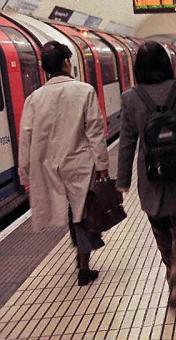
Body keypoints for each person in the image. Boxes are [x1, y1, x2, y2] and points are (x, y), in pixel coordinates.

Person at [116, 42, 176, 308]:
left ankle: (171, 268)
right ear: (169, 65)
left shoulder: (131, 97)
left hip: (152, 180)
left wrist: (122, 180)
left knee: (161, 231)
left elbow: (126, 143)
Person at [18, 41, 109, 286]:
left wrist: (24, 172)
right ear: (67, 63)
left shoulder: (34, 99)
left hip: (48, 166)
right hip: (80, 163)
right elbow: (94, 130)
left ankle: (81, 259)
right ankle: (83, 265)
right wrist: (102, 163)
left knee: (72, 213)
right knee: (82, 213)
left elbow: (25, 137)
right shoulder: (84, 91)